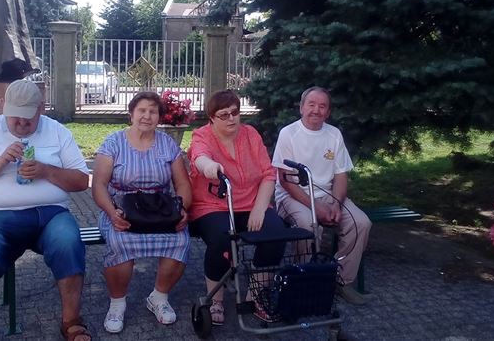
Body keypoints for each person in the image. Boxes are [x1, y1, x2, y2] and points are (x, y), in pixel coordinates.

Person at [0, 80, 90, 341]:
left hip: (50, 215)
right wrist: (0, 161)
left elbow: (81, 181)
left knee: (68, 240)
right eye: (14, 116)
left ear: (41, 108)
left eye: (27, 117)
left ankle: (71, 321)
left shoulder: (57, 132)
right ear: (3, 106)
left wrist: (46, 171)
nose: (20, 124)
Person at [91, 91, 192, 334]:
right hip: (121, 209)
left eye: (153, 111)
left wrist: (182, 210)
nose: (147, 116)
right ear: (131, 114)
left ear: (159, 117)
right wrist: (112, 212)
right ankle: (117, 304)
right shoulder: (114, 143)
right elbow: (99, 185)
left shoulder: (168, 144)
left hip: (159, 209)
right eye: (142, 110)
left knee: (180, 239)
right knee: (120, 241)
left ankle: (159, 297)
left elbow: (183, 184)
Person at [187, 89, 287, 325]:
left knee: (276, 233)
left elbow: (268, 174)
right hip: (213, 206)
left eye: (235, 112)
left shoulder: (251, 134)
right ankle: (216, 300)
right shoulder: (202, 135)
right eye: (224, 115)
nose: (231, 118)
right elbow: (199, 157)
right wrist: (209, 166)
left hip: (250, 204)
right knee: (222, 238)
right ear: (212, 118)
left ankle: (255, 294)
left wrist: (260, 208)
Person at [272, 86, 372, 305]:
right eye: (311, 104)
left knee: (361, 223)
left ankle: (339, 280)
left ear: (328, 112)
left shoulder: (334, 134)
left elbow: (341, 176)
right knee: (308, 225)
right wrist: (316, 207)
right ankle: (301, 281)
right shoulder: (288, 133)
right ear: (301, 108)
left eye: (322, 106)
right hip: (293, 196)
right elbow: (286, 181)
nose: (316, 110)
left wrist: (336, 204)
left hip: (328, 195)